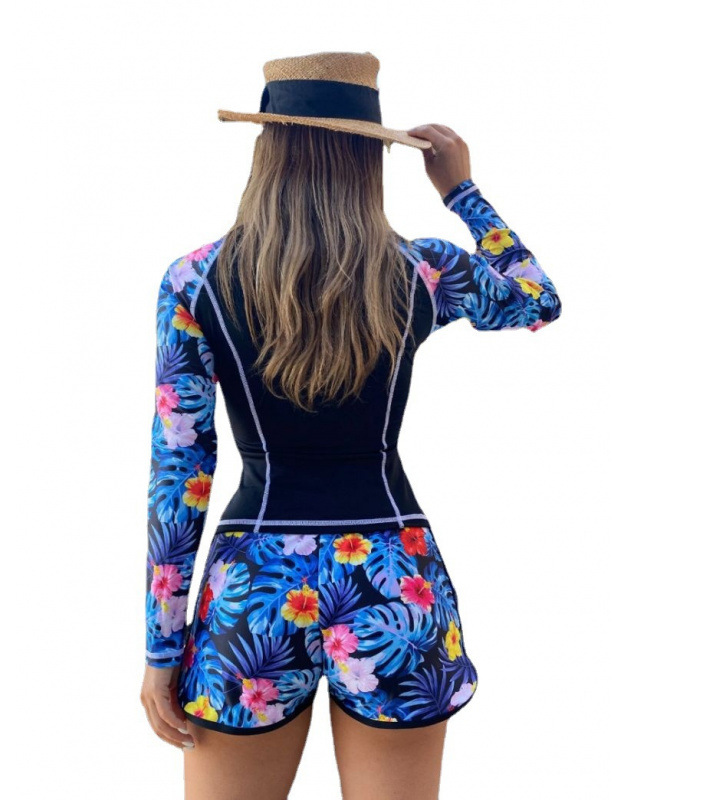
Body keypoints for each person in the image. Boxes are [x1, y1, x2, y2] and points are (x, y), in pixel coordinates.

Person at [140, 51, 562, 800]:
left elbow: (180, 472)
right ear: (373, 156)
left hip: (251, 591)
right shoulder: (425, 270)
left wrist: (161, 648)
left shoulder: (194, 280)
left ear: (267, 149)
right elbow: (536, 298)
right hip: (395, 582)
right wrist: (461, 191)